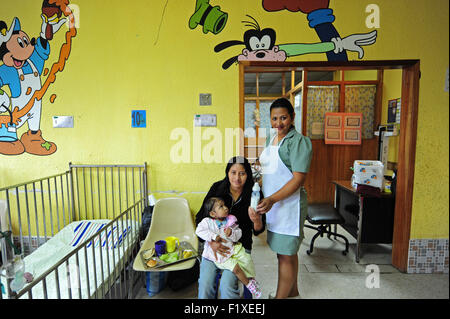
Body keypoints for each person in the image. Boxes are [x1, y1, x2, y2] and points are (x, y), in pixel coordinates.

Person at [254, 97, 312, 299]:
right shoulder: (273, 137)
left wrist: (271, 200)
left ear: (293, 117)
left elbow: (298, 180)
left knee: (286, 256)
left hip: (289, 207)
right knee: (284, 253)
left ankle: (280, 297)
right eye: (274, 118)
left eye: (283, 118)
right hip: (275, 206)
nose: (279, 123)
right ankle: (293, 294)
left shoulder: (299, 142)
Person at [195, 156, 265, 299]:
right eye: (233, 172)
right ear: (227, 173)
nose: (237, 178)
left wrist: (256, 220)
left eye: (242, 173)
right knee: (205, 284)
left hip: (239, 248)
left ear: (248, 175)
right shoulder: (217, 189)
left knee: (227, 286)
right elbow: (200, 218)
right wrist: (212, 242)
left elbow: (258, 230)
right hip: (213, 247)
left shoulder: (254, 194)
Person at [196, 197, 262, 298]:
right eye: (221, 207)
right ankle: (249, 284)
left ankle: (250, 277)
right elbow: (199, 231)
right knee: (205, 284)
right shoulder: (207, 222)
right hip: (213, 256)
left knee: (245, 262)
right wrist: (213, 238)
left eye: (225, 205)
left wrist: (232, 233)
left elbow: (238, 234)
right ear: (213, 214)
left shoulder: (231, 220)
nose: (226, 208)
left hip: (229, 254)